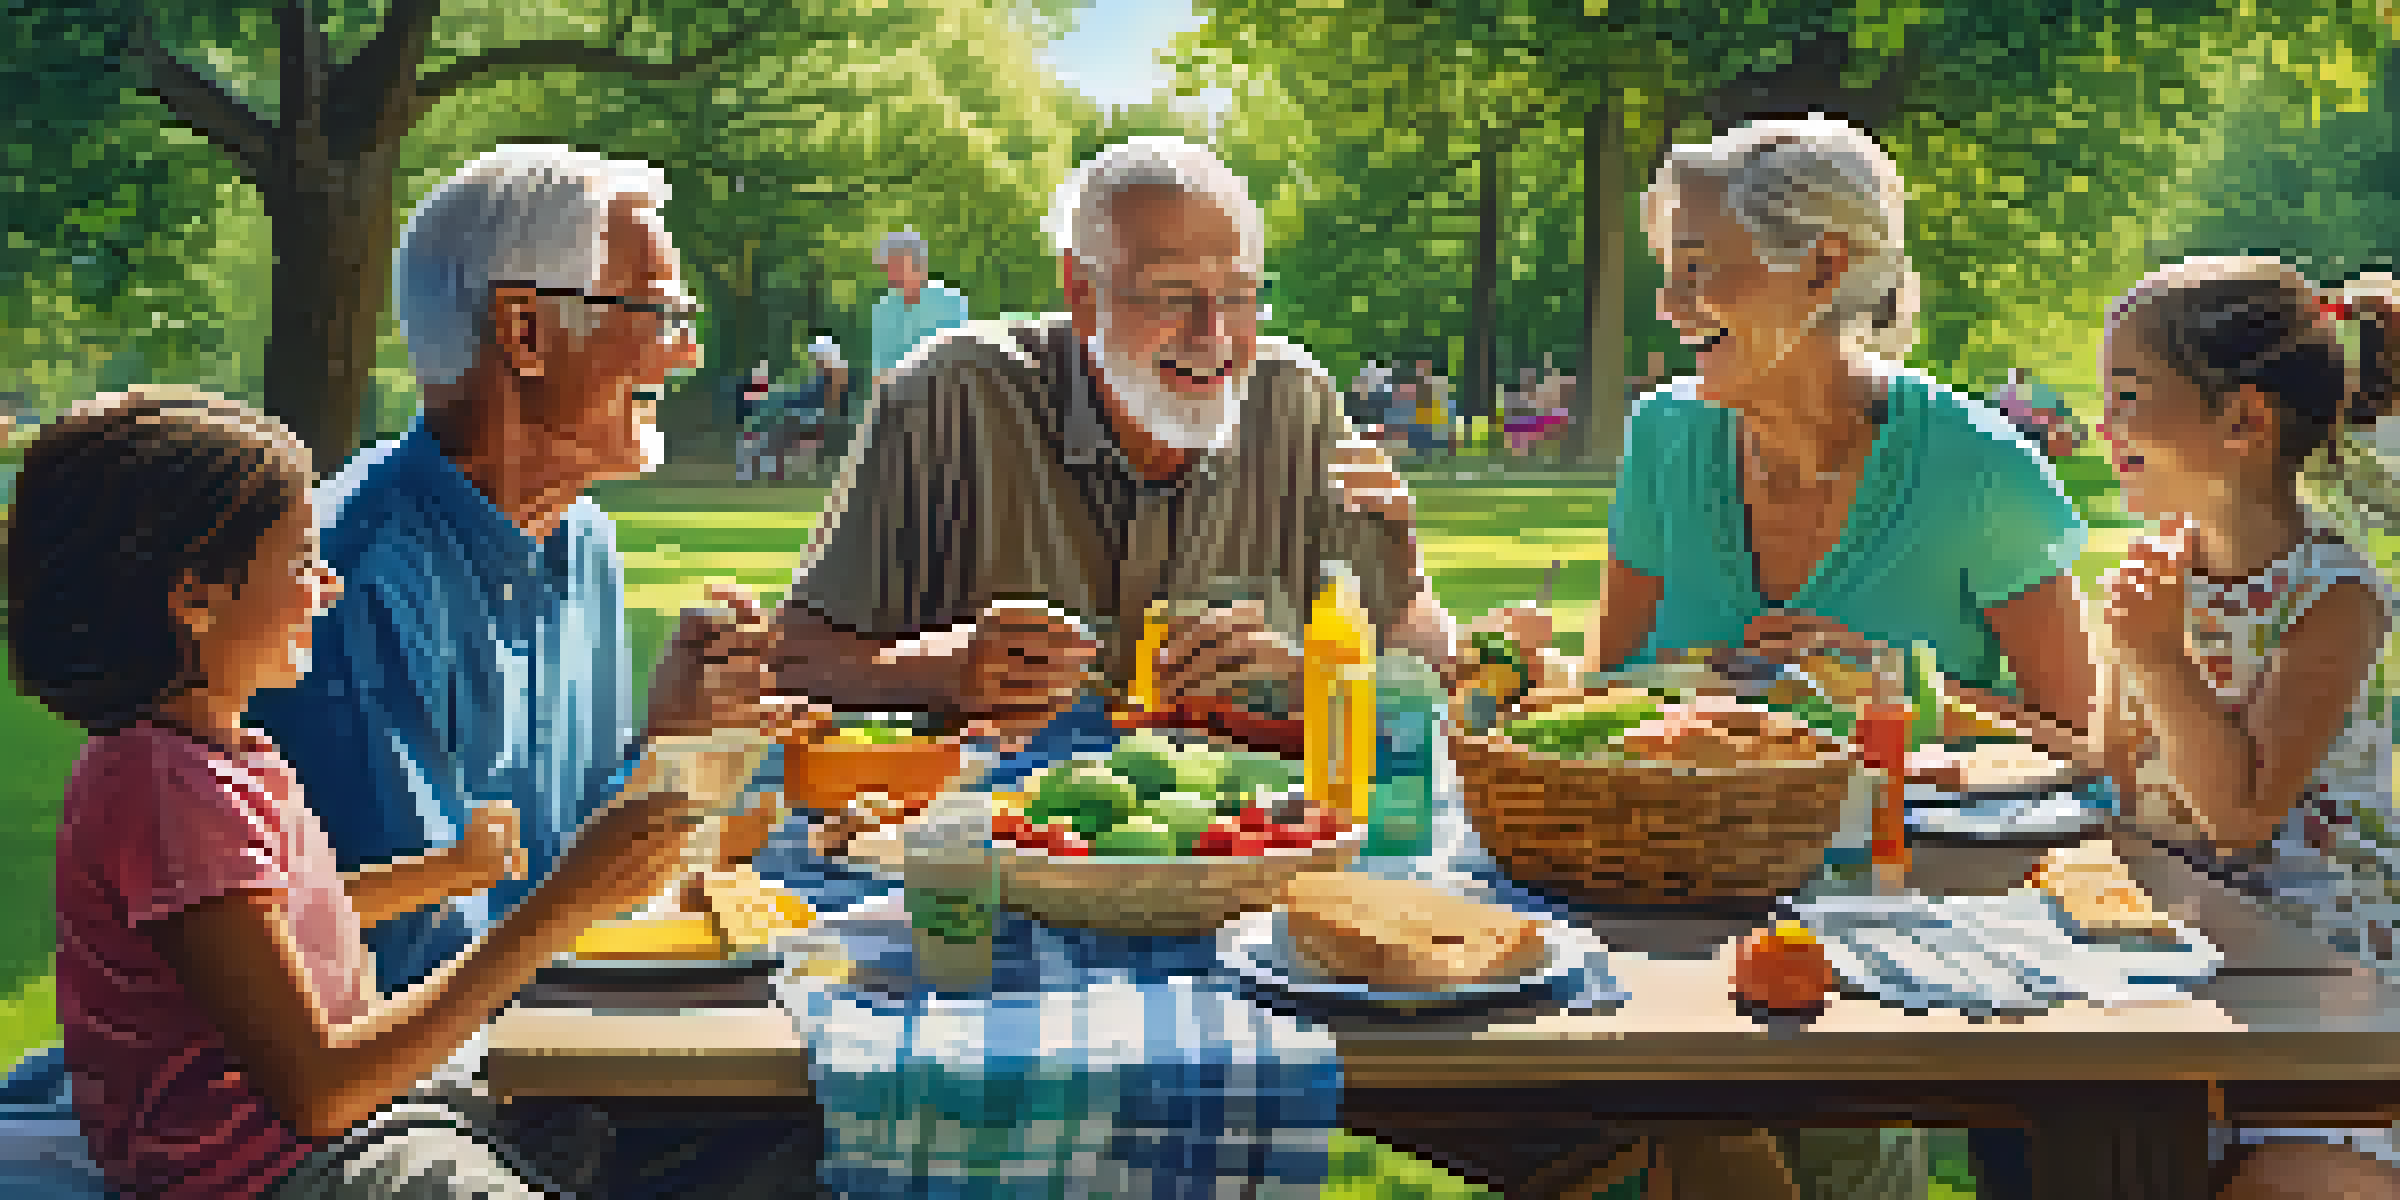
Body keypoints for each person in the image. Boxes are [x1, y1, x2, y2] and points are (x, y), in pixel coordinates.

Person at [7, 386, 805, 1200]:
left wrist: (448, 873)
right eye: (298, 562)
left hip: (361, 1127)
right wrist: (556, 908)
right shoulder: (168, 789)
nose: (329, 586)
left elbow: (270, 925)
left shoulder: (208, 758)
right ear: (196, 597)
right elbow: (320, 1092)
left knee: (684, 1130)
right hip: (278, 1172)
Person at [1563, 114, 2102, 1200]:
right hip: (1662, 906)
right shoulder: (1667, 440)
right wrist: (1691, 697)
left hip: (1896, 929)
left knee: (1815, 1146)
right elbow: (1601, 698)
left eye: (1699, 272)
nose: (1669, 309)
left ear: (1824, 266)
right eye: (1669, 272)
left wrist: (1894, 691)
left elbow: (2087, 752)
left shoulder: (1978, 470)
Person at [249, 145, 787, 999]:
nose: (680, 355)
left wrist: (669, 741)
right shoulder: (357, 581)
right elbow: (407, 962)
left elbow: (576, 861)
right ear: (525, 332)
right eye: (653, 313)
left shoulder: (585, 541)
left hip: (532, 1020)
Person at [773, 137, 1524, 740]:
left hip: (1247, 864)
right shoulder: (948, 398)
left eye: (1238, 295)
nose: (1213, 335)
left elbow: (1417, 644)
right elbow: (793, 655)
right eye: (1171, 296)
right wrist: (948, 667)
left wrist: (1323, 671)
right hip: (991, 860)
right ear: (1081, 291)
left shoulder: (1298, 405)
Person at [2090, 257, 2400, 1200]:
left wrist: (2155, 658)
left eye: (2132, 397)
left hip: (2322, 994)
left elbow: (2238, 817)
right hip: (2188, 954)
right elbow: (2120, 783)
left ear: (2243, 421)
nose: (2107, 429)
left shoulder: (2332, 597)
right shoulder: (2163, 576)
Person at [868, 227, 970, 391]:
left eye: (897, 265)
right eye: (887, 267)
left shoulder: (951, 300)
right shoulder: (882, 311)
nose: (891, 274)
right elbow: (880, 373)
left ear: (919, 263)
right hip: (902, 397)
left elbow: (962, 357)